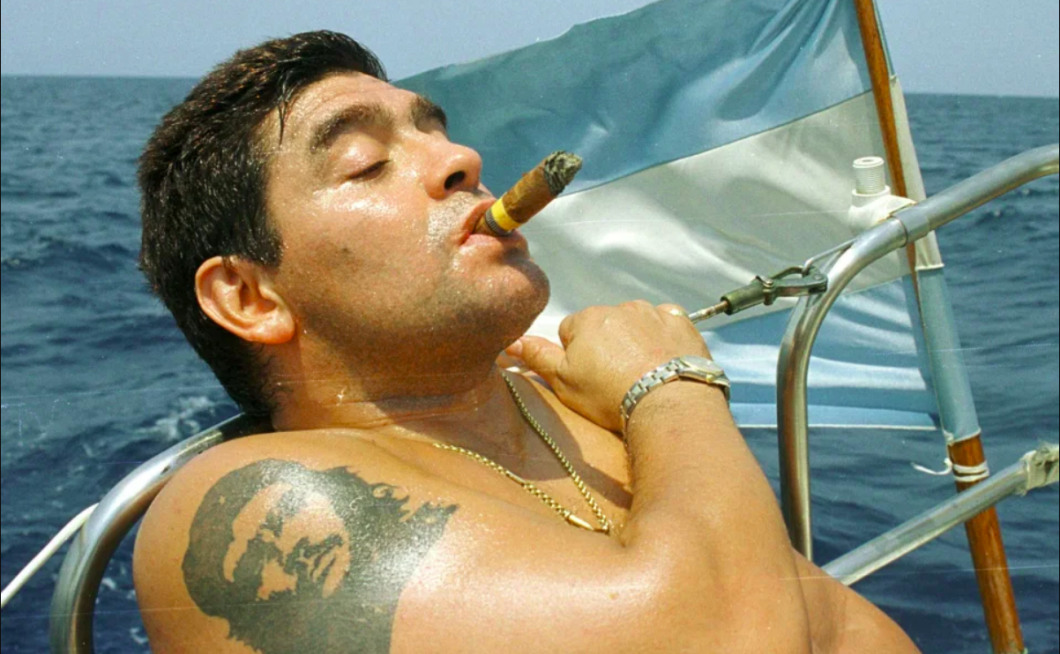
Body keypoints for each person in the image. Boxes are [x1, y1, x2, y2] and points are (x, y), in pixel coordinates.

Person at [132, 31, 922, 654]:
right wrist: (672, 386)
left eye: (437, 133)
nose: (462, 159)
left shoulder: (574, 410)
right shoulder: (256, 505)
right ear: (249, 297)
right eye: (366, 164)